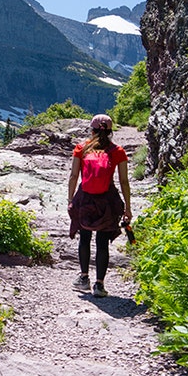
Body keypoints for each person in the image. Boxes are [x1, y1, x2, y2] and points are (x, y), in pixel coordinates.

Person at [67, 114, 132, 297]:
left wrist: (71, 200)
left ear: (91, 130)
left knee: (85, 238)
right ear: (110, 131)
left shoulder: (82, 148)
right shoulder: (118, 151)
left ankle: (83, 278)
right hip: (107, 200)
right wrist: (127, 207)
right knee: (102, 243)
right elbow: (124, 181)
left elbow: (73, 176)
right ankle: (99, 285)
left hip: (85, 199)